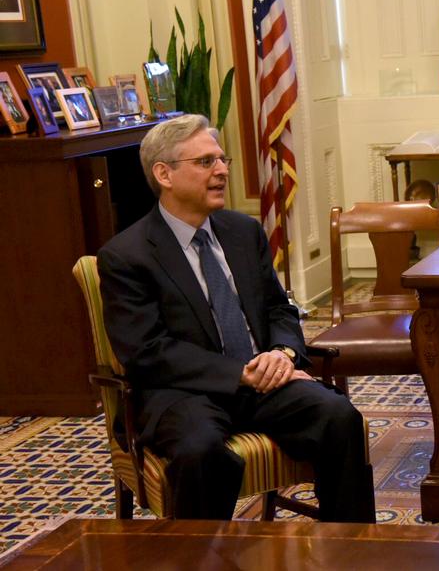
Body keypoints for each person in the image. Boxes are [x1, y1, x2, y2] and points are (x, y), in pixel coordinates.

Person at [97, 114, 375, 522]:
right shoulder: (127, 256)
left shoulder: (243, 231)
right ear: (164, 174)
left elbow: (278, 307)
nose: (223, 170)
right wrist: (239, 373)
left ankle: (355, 552)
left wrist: (282, 352)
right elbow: (147, 352)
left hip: (263, 382)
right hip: (182, 393)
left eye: (222, 159)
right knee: (200, 450)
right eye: (206, 162)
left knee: (339, 417)